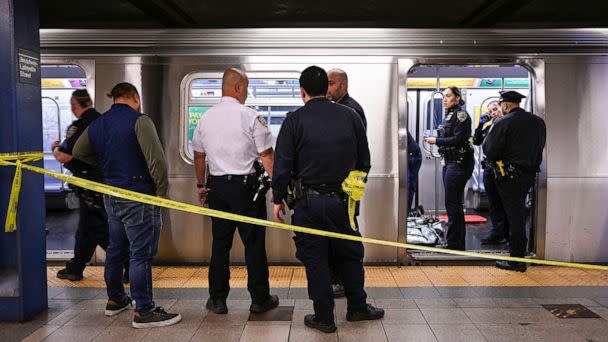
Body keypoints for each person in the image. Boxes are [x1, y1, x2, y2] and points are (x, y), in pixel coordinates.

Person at [273, 66, 384, 334]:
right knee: (349, 254)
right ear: (327, 88)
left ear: (302, 91)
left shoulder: (294, 120)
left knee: (316, 258)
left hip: (308, 203)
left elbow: (282, 165)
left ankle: (324, 317)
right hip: (343, 202)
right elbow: (364, 162)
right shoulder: (351, 117)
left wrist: (278, 198)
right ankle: (357, 307)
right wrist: (351, 194)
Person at [73, 82, 181, 328]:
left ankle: (116, 299)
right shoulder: (139, 121)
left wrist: (105, 167)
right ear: (134, 96)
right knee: (140, 254)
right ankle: (144, 310)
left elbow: (79, 151)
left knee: (115, 249)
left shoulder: (98, 123)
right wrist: (161, 193)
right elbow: (157, 161)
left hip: (111, 195)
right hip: (139, 196)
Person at [192, 68, 278, 315]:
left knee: (220, 245)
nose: (246, 93)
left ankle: (217, 299)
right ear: (239, 87)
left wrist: (201, 185)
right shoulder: (250, 116)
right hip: (246, 190)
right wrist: (279, 190)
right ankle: (259, 299)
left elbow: (199, 155)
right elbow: (266, 156)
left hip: (217, 188)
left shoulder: (205, 118)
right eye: (247, 88)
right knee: (254, 245)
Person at [52, 89, 128, 283]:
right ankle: (76, 267)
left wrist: (54, 148)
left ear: (75, 105)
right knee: (87, 227)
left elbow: (64, 156)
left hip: (89, 186)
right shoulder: (103, 122)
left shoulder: (78, 127)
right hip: (107, 182)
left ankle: (127, 264)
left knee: (100, 229)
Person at [483, 90, 546, 272]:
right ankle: (519, 253)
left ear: (506, 105)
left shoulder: (504, 122)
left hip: (509, 177)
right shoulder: (538, 122)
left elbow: (490, 150)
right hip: (528, 175)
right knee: (519, 212)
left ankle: (516, 259)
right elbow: (540, 147)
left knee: (514, 216)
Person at [326, 68, 367, 298]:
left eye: (331, 83)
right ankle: (337, 279)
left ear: (343, 85)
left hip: (346, 188)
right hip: (342, 187)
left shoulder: (350, 109)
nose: (328, 88)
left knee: (346, 236)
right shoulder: (339, 108)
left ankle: (345, 282)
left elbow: (350, 151)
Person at [424, 86, 474, 251]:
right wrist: (445, 157)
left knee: (453, 205)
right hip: (451, 162)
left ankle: (455, 245)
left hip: (459, 164)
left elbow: (459, 139)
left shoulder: (461, 115)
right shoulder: (450, 115)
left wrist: (436, 141)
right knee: (452, 204)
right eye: (443, 96)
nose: (444, 99)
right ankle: (455, 242)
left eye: (448, 96)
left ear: (457, 98)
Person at [473, 100, 508, 245]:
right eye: (491, 111)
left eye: (495, 109)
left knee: (503, 202)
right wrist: (480, 125)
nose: (493, 113)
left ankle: (504, 232)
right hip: (489, 169)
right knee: (493, 203)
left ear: (502, 108)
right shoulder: (489, 127)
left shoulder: (506, 125)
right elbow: (476, 141)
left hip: (502, 168)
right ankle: (497, 232)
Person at [407, 131, 422, 213]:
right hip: (411, 155)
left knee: (409, 185)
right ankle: (406, 210)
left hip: (413, 157)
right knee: (409, 184)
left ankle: (407, 211)